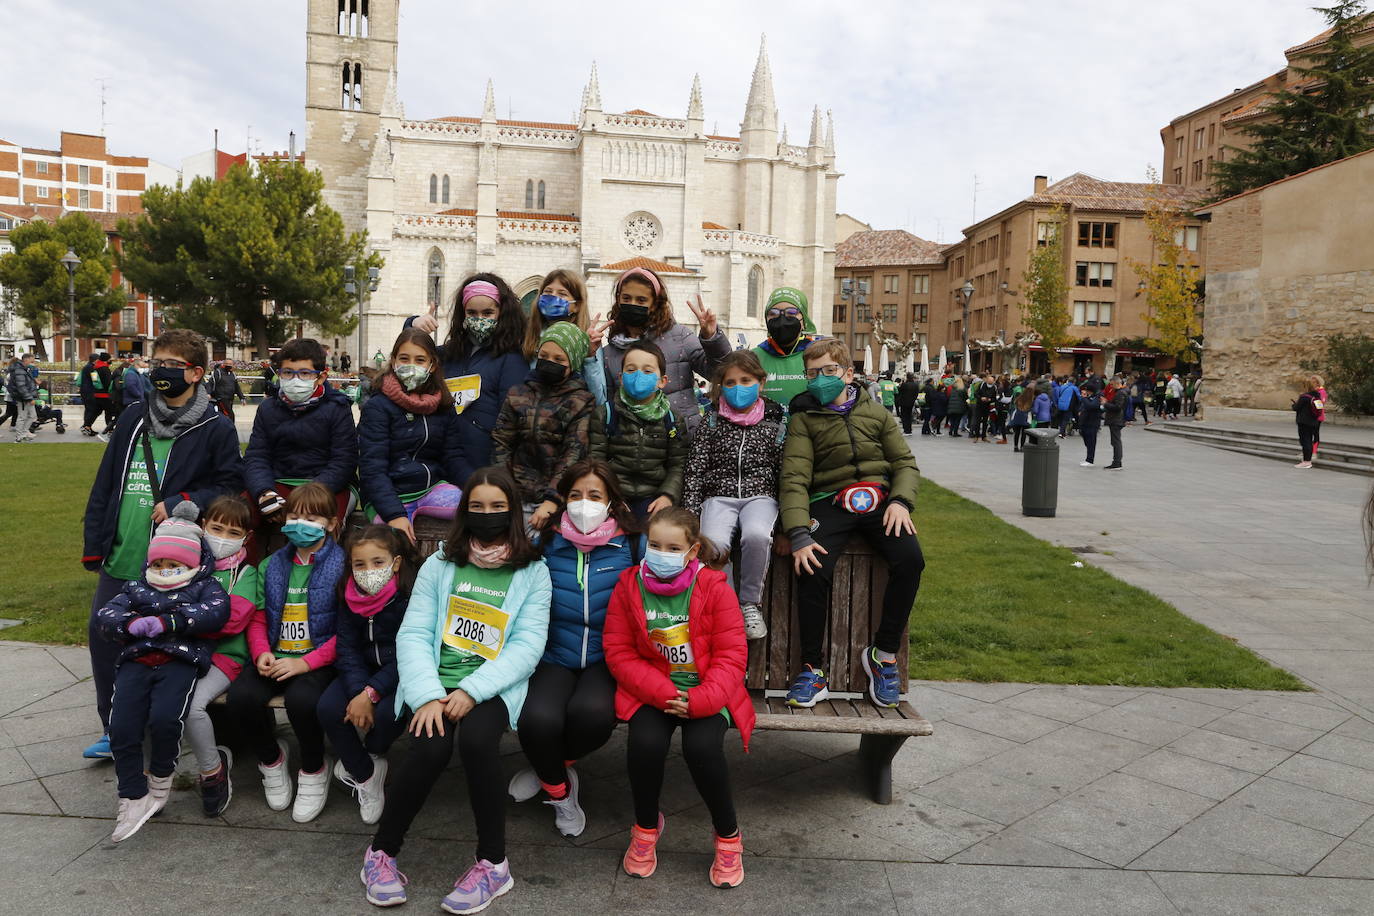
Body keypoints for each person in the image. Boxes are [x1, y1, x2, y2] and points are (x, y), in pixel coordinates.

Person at [359, 467, 550, 913]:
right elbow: (413, 634)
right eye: (478, 507)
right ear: (465, 512)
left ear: (512, 512)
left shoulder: (533, 571)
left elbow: (527, 645)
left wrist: (472, 690)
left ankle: (493, 864)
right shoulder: (440, 564)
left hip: (490, 685)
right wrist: (426, 694)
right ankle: (381, 853)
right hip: (433, 680)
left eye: (498, 507)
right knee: (429, 749)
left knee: (480, 743)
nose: (487, 516)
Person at [80, 328, 242, 762]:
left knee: (160, 651)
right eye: (157, 363)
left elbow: (230, 484)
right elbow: (105, 483)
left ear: (195, 372)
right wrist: (95, 543)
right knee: (106, 643)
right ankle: (114, 732)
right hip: (122, 554)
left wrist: (183, 501)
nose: (160, 372)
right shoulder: (134, 417)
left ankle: (157, 733)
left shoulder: (215, 426)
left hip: (173, 564)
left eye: (170, 364)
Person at [603, 506, 753, 887]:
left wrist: (700, 700)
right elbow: (619, 651)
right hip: (655, 692)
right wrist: (666, 693)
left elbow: (732, 654)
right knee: (644, 744)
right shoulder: (629, 584)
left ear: (693, 551)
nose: (660, 553)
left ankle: (728, 837)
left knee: (702, 749)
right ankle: (645, 829)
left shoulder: (714, 588)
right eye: (654, 545)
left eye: (672, 547)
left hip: (707, 693)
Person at [780, 339, 924, 710]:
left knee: (910, 559)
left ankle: (884, 655)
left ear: (847, 373)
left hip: (880, 500)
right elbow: (794, 479)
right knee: (811, 566)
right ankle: (813, 668)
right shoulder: (803, 421)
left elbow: (905, 464)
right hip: (828, 501)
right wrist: (797, 531)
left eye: (828, 371)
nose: (819, 380)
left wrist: (901, 501)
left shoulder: (876, 414)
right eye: (812, 374)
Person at [509, 460, 638, 837]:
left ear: (612, 502)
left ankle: (547, 766)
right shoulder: (547, 542)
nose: (585, 503)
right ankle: (560, 793)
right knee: (536, 720)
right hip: (554, 655)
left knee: (593, 715)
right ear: (563, 500)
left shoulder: (632, 543)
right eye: (576, 495)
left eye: (595, 496)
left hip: (608, 656)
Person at [94, 505, 230, 843]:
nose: (165, 570)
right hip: (135, 661)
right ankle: (132, 795)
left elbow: (215, 612)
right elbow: (106, 614)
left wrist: (169, 621)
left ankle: (161, 777)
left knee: (166, 719)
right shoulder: (136, 588)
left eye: (174, 564)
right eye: (159, 563)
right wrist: (128, 624)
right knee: (122, 726)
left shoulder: (205, 586)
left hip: (178, 661)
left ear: (192, 562)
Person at [225, 482, 344, 823]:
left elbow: (345, 633)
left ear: (331, 524)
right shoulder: (272, 565)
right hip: (276, 655)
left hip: (319, 659)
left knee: (302, 702)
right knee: (242, 697)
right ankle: (271, 759)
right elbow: (259, 617)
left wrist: (305, 662)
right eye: (294, 516)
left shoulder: (342, 565)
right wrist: (262, 653)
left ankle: (313, 767)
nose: (300, 523)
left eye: (311, 517)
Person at [681, 350, 786, 640]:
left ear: (760, 382)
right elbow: (696, 469)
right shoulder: (712, 422)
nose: (738, 387)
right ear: (720, 386)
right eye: (730, 382)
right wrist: (691, 514)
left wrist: (787, 526)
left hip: (760, 496)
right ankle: (723, 606)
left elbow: (783, 473)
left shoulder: (774, 423)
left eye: (746, 380)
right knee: (713, 544)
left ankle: (749, 603)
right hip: (718, 496)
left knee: (756, 535)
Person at [317, 524, 416, 824]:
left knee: (389, 714)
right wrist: (360, 690)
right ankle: (366, 773)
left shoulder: (408, 597)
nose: (368, 571)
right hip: (359, 671)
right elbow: (346, 649)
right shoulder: (348, 596)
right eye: (359, 564)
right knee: (328, 708)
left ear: (395, 563)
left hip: (400, 673)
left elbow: (408, 655)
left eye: (378, 562)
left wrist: (371, 693)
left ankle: (372, 753)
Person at [180, 494, 259, 817]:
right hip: (184, 652)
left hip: (226, 659)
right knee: (147, 692)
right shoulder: (187, 564)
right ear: (203, 526)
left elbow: (233, 621)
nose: (223, 538)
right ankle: (147, 775)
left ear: (246, 537)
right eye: (217, 528)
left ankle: (212, 771)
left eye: (233, 532)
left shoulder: (246, 574)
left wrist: (183, 621)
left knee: (192, 705)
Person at [408, 273, 530, 481]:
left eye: (488, 313)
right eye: (472, 313)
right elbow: (414, 358)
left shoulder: (512, 360)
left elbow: (511, 422)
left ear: (502, 313)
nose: (479, 320)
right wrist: (413, 325)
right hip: (442, 463)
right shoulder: (450, 353)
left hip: (484, 468)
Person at [357, 328, 466, 543]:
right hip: (389, 495)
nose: (411, 366)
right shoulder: (378, 406)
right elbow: (372, 468)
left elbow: (453, 456)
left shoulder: (442, 405)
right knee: (392, 545)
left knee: (474, 509)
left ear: (432, 365)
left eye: (420, 360)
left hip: (430, 489)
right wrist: (394, 514)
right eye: (404, 358)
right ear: (394, 360)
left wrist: (479, 487)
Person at [597, 265, 728, 436]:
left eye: (641, 300)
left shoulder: (679, 336)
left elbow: (719, 372)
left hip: (681, 439)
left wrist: (712, 338)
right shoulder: (609, 352)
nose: (633, 304)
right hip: (632, 447)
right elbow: (607, 403)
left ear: (655, 304)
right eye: (626, 298)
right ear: (618, 300)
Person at [244, 338, 359, 525]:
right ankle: (244, 555)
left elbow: (344, 461)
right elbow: (257, 456)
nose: (295, 380)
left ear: (320, 377)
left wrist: (310, 494)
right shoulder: (268, 409)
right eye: (288, 373)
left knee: (320, 522)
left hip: (326, 486)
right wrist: (264, 491)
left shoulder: (337, 408)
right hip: (279, 482)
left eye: (305, 373)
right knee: (239, 514)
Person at [492, 322, 595, 529]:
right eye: (544, 356)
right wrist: (504, 487)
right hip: (514, 494)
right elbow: (501, 441)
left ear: (572, 363)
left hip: (552, 499)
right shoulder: (518, 393)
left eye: (559, 359)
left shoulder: (581, 401)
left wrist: (553, 498)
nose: (550, 362)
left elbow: (574, 452)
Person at [589, 339, 689, 521]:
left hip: (654, 498)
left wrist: (667, 496)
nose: (638, 375)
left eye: (648, 371)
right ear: (621, 378)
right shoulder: (605, 414)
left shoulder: (673, 419)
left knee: (646, 542)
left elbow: (678, 465)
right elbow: (596, 461)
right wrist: (609, 495)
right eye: (631, 369)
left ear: (662, 381)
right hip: (613, 496)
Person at [520, 268, 608, 404]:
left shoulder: (587, 339)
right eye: (548, 292)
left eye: (562, 294)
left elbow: (599, 400)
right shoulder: (529, 336)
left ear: (576, 306)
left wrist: (589, 357)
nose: (553, 297)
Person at [751, 286, 819, 406]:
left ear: (804, 321)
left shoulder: (819, 355)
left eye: (791, 312)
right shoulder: (753, 357)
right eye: (773, 313)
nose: (782, 319)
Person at [79, 351, 113, 438]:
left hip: (94, 394)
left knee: (95, 411)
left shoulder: (93, 367)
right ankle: (109, 429)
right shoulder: (100, 369)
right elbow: (103, 382)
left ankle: (87, 426)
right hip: (99, 394)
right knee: (107, 412)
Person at [5, 354, 37, 443]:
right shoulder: (20, 370)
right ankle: (19, 437)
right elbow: (21, 386)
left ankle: (23, 433)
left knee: (32, 416)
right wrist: (29, 398)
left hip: (25, 396)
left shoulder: (24, 369)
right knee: (23, 416)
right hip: (23, 398)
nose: (32, 363)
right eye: (31, 361)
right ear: (26, 360)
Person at [1293, 381, 1323, 469]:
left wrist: (1294, 404)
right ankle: (1307, 460)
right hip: (1314, 422)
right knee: (1309, 441)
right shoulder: (1317, 396)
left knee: (1305, 441)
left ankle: (1306, 461)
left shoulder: (1304, 397)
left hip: (1303, 422)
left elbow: (1296, 408)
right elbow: (1319, 409)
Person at [1077, 384, 1103, 467]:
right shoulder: (1089, 398)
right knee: (1087, 441)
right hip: (1085, 422)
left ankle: (1090, 460)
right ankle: (1089, 458)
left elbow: (1091, 406)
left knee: (1091, 442)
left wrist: (1084, 398)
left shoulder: (1097, 398)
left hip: (1092, 423)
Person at [1102, 380, 1126, 471]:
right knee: (1115, 441)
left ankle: (1117, 463)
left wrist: (1106, 404)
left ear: (1117, 383)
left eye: (1112, 384)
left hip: (1116, 420)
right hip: (1116, 420)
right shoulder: (1118, 392)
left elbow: (1117, 407)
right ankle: (1116, 462)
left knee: (1116, 442)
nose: (1111, 386)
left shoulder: (1120, 393)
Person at [1008, 388, 1033, 452]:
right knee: (1024, 434)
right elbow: (1031, 409)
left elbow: (1015, 404)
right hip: (1025, 417)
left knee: (1017, 433)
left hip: (1017, 417)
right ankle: (1022, 447)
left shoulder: (1019, 398)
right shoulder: (1030, 400)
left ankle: (1015, 447)